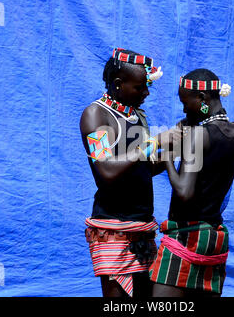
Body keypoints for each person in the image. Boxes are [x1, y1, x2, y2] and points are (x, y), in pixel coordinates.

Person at [80, 48, 179, 298]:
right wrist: (154, 143)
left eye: (147, 87)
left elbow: (140, 168)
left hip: (142, 227)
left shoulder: (136, 115)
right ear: (117, 84)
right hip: (113, 227)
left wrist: (175, 150)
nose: (146, 93)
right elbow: (105, 170)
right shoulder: (96, 115)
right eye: (139, 87)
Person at [149, 69, 234, 297]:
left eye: (185, 102)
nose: (183, 109)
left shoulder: (198, 135)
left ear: (202, 99)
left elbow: (184, 191)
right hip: (215, 238)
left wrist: (169, 156)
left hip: (186, 237)